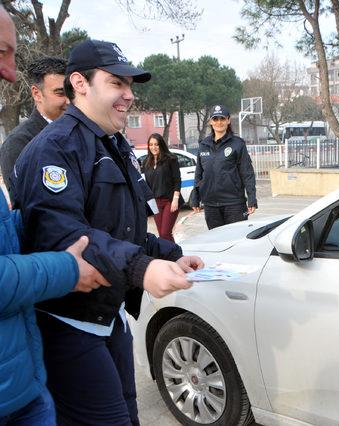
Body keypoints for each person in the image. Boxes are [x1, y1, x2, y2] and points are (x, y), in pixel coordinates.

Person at [12, 39, 204, 425]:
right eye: (117, 83)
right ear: (80, 83)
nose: (129, 96)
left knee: (129, 417)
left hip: (109, 316)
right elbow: (65, 235)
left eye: (131, 86)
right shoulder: (55, 149)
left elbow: (124, 228)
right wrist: (141, 269)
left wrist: (168, 254)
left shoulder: (114, 143)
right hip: (68, 324)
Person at [0, 6, 109, 424]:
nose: (9, 71)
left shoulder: (89, 140)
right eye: (1, 52)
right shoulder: (28, 145)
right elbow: (42, 227)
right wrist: (66, 267)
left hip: (22, 377)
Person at [1, 56, 68, 204]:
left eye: (72, 92)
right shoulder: (19, 143)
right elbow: (25, 206)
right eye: (60, 93)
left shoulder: (83, 133)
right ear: (37, 94)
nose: (69, 100)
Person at [191, 104, 258, 229]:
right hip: (210, 205)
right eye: (215, 119)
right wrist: (195, 197)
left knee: (236, 242)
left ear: (228, 120)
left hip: (234, 204)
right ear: (211, 121)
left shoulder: (238, 144)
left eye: (222, 118)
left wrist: (252, 198)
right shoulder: (203, 145)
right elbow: (199, 174)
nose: (219, 122)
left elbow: (247, 173)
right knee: (217, 243)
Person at [142, 133, 181, 241]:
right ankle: (169, 255)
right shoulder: (146, 162)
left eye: (156, 144)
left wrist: (175, 200)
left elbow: (177, 180)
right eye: (151, 145)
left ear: (161, 145)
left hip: (169, 200)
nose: (153, 147)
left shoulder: (171, 159)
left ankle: (175, 256)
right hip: (155, 203)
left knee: (165, 233)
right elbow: (148, 184)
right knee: (161, 234)